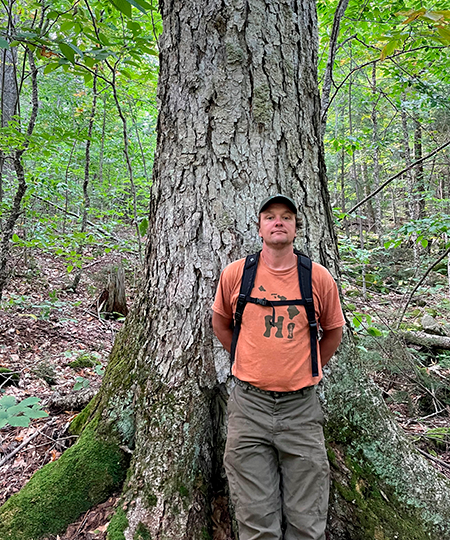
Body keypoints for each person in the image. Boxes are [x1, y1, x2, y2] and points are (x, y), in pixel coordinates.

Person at [212, 194, 345, 540]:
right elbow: (220, 322)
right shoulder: (237, 275)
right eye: (270, 216)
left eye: (286, 217)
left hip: (301, 409)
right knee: (255, 518)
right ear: (259, 227)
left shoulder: (316, 277)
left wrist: (305, 367)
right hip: (248, 407)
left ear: (296, 229)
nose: (278, 222)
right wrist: (246, 360)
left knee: (307, 518)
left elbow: (333, 331)